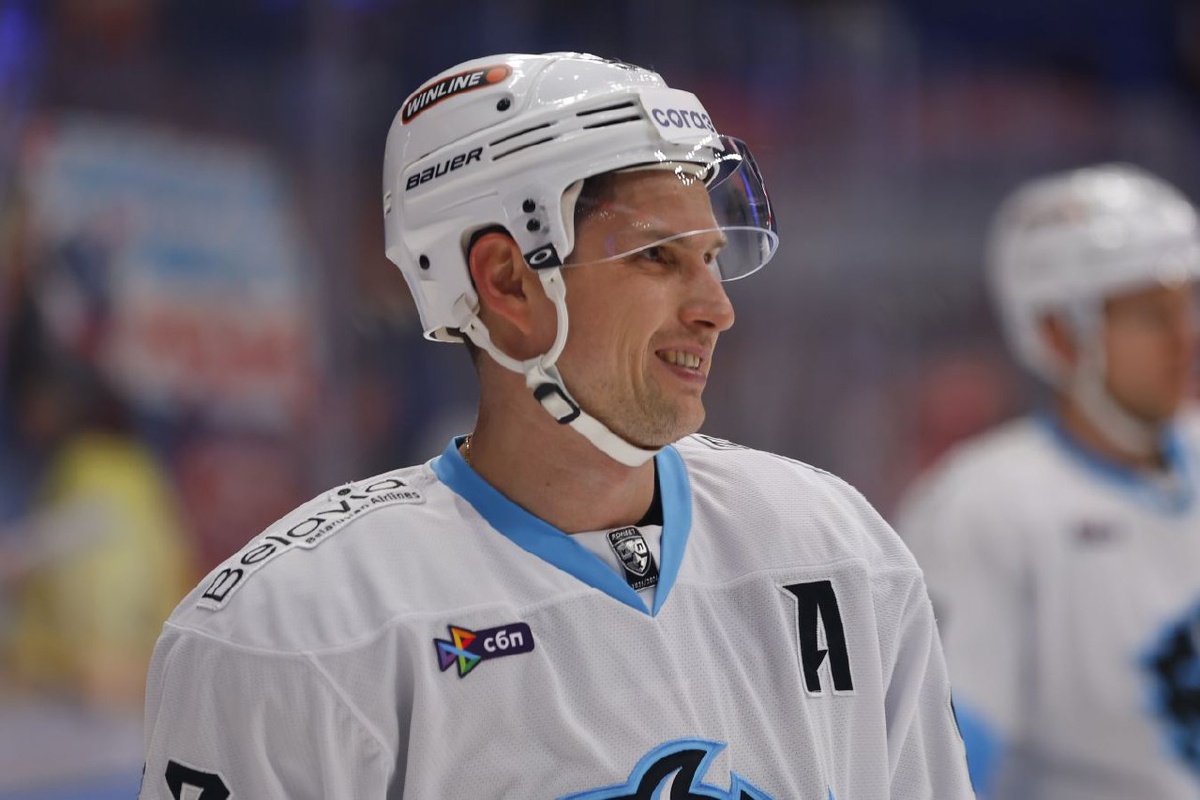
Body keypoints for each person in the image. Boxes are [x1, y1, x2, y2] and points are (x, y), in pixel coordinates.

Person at [137, 52, 973, 799]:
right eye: (657, 256)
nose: (715, 309)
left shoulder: (838, 553)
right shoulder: (294, 633)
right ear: (506, 281)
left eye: (712, 259)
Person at [895, 163, 1200, 799]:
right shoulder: (982, 509)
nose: (1185, 338)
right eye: (1151, 316)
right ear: (1060, 334)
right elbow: (941, 756)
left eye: (1187, 307)